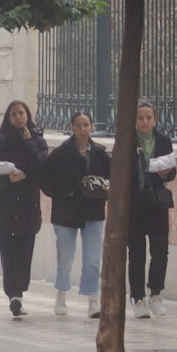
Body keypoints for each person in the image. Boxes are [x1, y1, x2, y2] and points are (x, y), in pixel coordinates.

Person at [40, 111, 110, 318]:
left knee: (93, 259)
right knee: (65, 257)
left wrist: (104, 188)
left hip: (93, 210)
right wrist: (63, 192)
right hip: (66, 211)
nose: (82, 129)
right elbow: (45, 179)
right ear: (71, 127)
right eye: (78, 125)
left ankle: (93, 299)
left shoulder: (99, 153)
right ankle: (61, 294)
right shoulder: (61, 153)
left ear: (92, 127)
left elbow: (111, 177)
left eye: (86, 125)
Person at [0, 100, 48, 317]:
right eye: (14, 114)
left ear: (27, 115)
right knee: (8, 255)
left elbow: (41, 167)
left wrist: (29, 142)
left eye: (21, 113)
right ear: (9, 119)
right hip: (6, 207)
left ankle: (20, 289)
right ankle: (14, 296)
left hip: (28, 207)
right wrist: (8, 180)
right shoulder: (2, 142)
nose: (18, 117)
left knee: (24, 254)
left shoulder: (38, 140)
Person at [128, 100, 176, 319]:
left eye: (149, 117)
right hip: (134, 205)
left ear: (155, 119)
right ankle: (137, 298)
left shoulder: (164, 141)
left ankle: (155, 293)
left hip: (157, 204)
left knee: (160, 251)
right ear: (135, 120)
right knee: (137, 254)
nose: (145, 121)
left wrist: (165, 173)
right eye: (141, 118)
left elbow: (172, 171)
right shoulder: (127, 142)